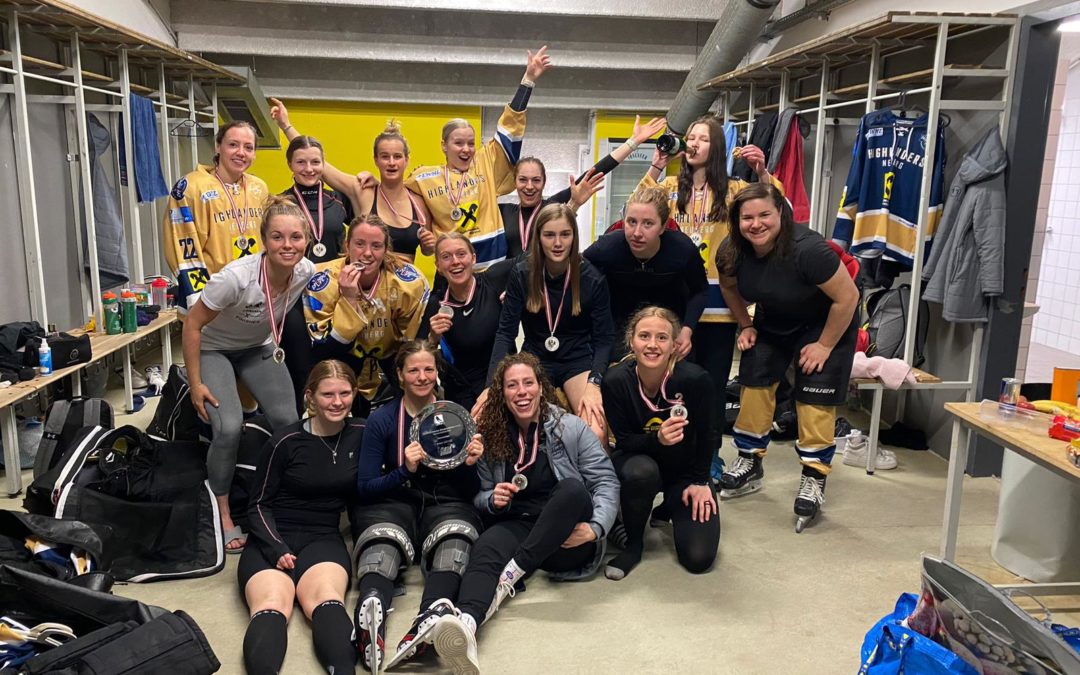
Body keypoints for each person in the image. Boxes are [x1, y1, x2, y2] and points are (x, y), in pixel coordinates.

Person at [427, 352, 619, 675]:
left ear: (542, 387)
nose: (522, 392)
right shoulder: (492, 433)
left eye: (528, 383)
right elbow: (480, 497)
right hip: (520, 522)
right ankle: (468, 624)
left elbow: (606, 481)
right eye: (512, 385)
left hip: (566, 536)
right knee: (486, 548)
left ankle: (512, 573)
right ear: (502, 393)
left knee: (573, 489)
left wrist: (596, 527)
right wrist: (493, 499)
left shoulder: (570, 427)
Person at [640, 115, 781, 483]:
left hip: (719, 307)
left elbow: (776, 208)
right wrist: (656, 165)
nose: (693, 143)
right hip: (677, 307)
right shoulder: (670, 187)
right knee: (675, 385)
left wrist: (762, 172)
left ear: (716, 146)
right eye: (690, 137)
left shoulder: (734, 190)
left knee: (713, 388)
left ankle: (710, 455)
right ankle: (678, 453)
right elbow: (637, 209)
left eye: (702, 139)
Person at [715, 183, 860, 531]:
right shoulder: (731, 251)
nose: (756, 224)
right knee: (754, 381)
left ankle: (814, 475)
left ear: (780, 212)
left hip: (825, 322)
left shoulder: (808, 250)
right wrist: (745, 324)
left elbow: (848, 297)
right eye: (747, 217)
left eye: (764, 214)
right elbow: (728, 287)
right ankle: (750, 460)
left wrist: (824, 345)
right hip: (774, 319)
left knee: (813, 398)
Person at [181, 196, 316, 552]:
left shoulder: (305, 271)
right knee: (228, 427)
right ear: (264, 240)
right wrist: (195, 384)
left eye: (296, 237)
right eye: (277, 237)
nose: (287, 245)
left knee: (289, 421)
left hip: (257, 347)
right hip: (214, 349)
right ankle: (223, 511)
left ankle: (282, 496)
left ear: (306, 240)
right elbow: (192, 325)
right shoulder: (235, 279)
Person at [352, 342, 484, 674]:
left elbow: (471, 491)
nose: (422, 377)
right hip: (394, 499)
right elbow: (365, 487)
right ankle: (371, 607)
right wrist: (404, 470)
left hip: (445, 500)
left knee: (455, 543)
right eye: (413, 370)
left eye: (428, 369)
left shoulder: (456, 417)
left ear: (437, 372)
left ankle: (431, 614)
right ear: (399, 375)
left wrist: (469, 464)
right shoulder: (382, 419)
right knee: (382, 545)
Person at [238, 359, 364, 675]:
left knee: (326, 599)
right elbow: (258, 505)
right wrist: (276, 547)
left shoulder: (362, 433)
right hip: (273, 536)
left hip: (322, 536)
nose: (337, 402)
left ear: (355, 393)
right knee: (272, 603)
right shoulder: (284, 441)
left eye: (345, 393)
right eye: (327, 394)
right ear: (310, 397)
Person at [402, 46, 553, 269]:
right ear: (444, 146)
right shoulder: (423, 178)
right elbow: (393, 193)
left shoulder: (485, 162)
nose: (466, 149)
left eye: (471, 143)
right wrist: (370, 180)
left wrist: (528, 80)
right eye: (458, 143)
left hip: (492, 270)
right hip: (452, 270)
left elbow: (510, 126)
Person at [601, 306, 719, 579]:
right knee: (641, 472)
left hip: (686, 471)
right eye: (644, 336)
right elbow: (624, 441)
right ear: (631, 341)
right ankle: (634, 545)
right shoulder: (615, 381)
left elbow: (708, 435)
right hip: (639, 462)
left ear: (674, 345)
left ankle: (669, 506)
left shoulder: (696, 380)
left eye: (662, 337)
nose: (652, 345)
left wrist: (701, 481)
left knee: (698, 558)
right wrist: (658, 438)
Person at [485, 204, 615, 440]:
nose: (557, 243)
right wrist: (490, 387)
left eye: (565, 234)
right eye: (549, 235)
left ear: (574, 237)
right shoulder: (522, 274)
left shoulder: (591, 278)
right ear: (538, 238)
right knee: (518, 428)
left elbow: (604, 339)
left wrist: (594, 383)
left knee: (596, 431)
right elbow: (505, 332)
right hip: (535, 358)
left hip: (577, 360)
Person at [269, 104, 436, 263]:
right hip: (367, 280)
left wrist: (429, 246)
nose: (391, 162)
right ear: (376, 160)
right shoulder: (363, 190)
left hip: (403, 281)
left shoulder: (419, 202)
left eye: (397, 156)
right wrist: (286, 126)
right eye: (385, 156)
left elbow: (427, 250)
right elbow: (316, 162)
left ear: (407, 159)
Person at [304, 214, 429, 417]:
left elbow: (412, 346)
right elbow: (324, 351)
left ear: (386, 249)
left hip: (392, 357)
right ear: (347, 245)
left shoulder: (407, 282)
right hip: (341, 357)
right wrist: (349, 299)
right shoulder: (323, 281)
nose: (367, 253)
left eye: (376, 246)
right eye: (359, 244)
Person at [500, 115, 665, 255]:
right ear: (515, 182)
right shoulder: (501, 212)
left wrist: (633, 142)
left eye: (536, 180)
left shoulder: (551, 207)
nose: (529, 186)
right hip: (509, 281)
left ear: (544, 182)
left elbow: (596, 171)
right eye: (523, 179)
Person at [277, 135, 356, 412]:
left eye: (315, 162)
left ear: (324, 164)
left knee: (338, 363)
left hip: (335, 296)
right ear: (290, 164)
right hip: (295, 296)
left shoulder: (340, 200)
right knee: (301, 365)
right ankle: (304, 423)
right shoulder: (281, 203)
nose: (309, 169)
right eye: (301, 162)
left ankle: (340, 419)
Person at [583, 186, 707, 356]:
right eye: (631, 222)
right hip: (619, 323)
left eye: (648, 223)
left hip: (670, 322)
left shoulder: (682, 249)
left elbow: (699, 291)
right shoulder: (607, 247)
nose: (637, 233)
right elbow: (579, 275)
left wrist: (687, 330)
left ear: (663, 226)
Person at [164, 120, 270, 312]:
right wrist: (199, 299)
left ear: (254, 153)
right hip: (211, 297)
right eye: (233, 144)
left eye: (248, 147)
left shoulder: (259, 188)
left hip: (254, 296)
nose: (241, 152)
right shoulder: (191, 188)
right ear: (218, 146)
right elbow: (181, 245)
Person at [416, 233, 516, 410]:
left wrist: (519, 291)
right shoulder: (436, 304)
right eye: (446, 257)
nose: (455, 261)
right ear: (438, 266)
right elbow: (416, 358)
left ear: (474, 258)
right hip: (463, 393)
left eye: (461, 254)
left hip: (504, 380)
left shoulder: (494, 280)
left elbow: (534, 257)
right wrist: (433, 338)